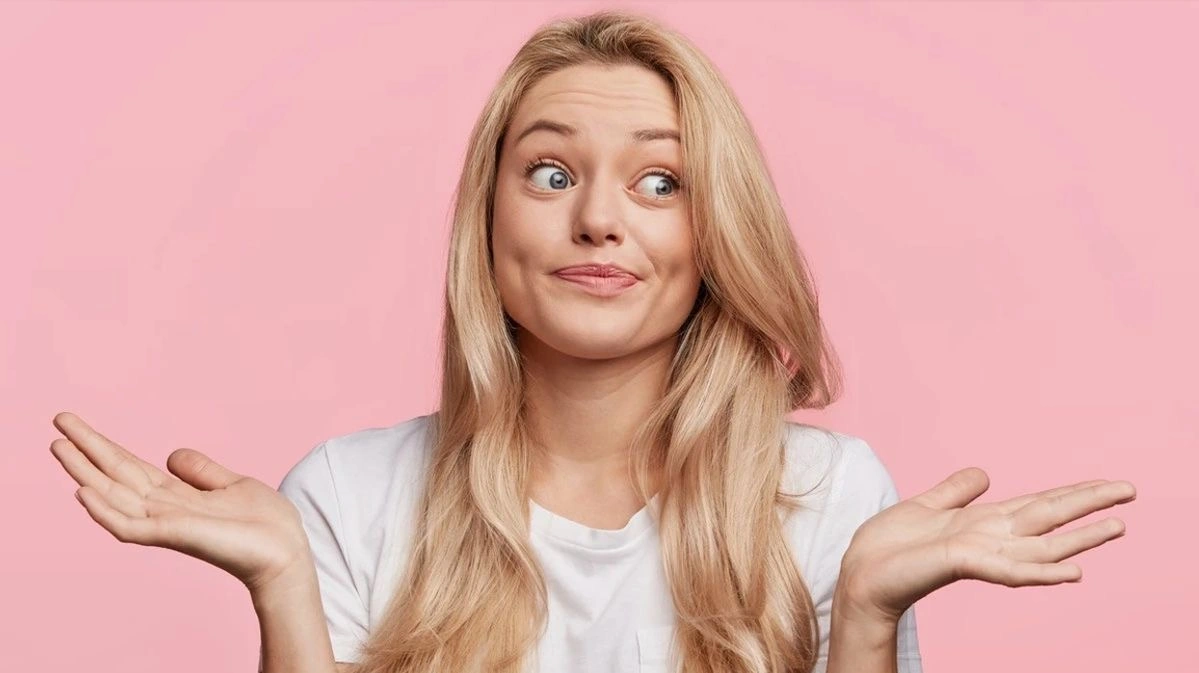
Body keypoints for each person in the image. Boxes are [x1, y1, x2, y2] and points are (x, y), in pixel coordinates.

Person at [48, 10, 1136, 673]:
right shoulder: (344, 492)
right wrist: (280, 580)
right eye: (551, 172)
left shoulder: (829, 496)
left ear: (716, 230)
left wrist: (862, 618)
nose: (597, 220)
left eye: (659, 181)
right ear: (489, 217)